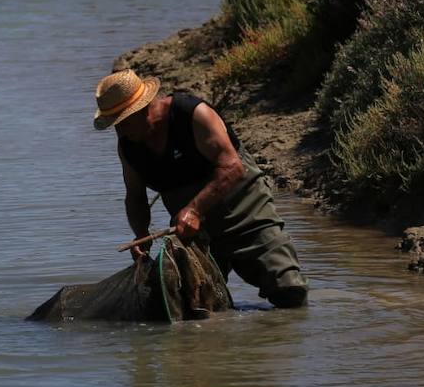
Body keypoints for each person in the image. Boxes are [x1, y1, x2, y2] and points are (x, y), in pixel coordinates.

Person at [93, 68, 309, 308]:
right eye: (115, 124)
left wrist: (194, 209)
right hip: (193, 235)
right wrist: (141, 234)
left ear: (143, 109)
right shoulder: (129, 147)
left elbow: (232, 168)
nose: (119, 131)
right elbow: (135, 197)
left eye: (122, 122)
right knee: (194, 308)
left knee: (290, 292)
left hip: (246, 214)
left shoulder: (192, 114)